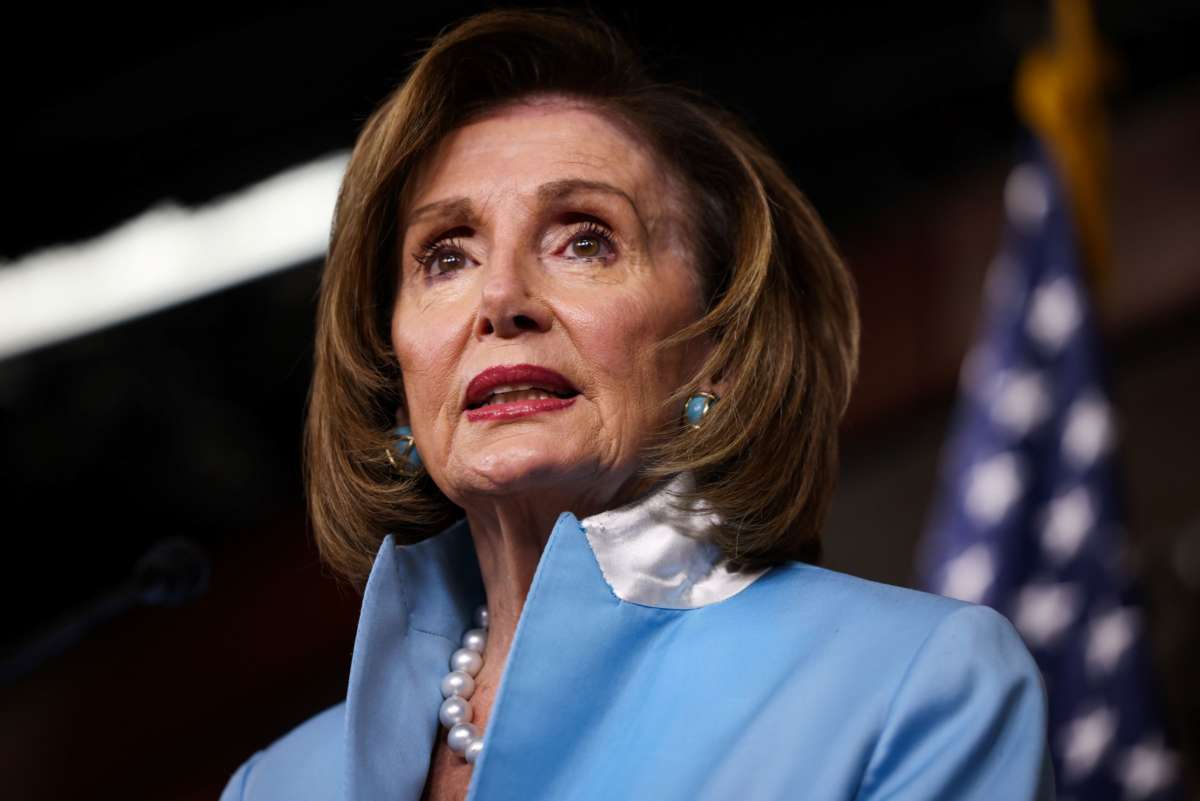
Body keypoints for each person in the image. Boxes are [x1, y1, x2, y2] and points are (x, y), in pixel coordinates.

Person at [220, 8, 1056, 801]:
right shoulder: (275, 785)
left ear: (719, 350)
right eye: (446, 256)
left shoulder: (912, 689)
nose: (502, 297)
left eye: (585, 239)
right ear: (393, 366)